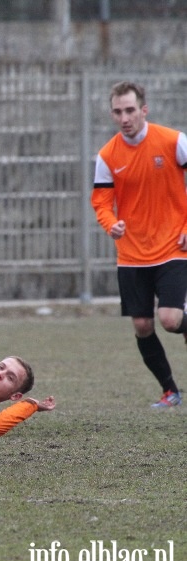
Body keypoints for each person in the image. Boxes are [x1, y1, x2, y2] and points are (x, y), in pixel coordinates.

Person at [91, 81, 187, 409]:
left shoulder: (174, 141)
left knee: (171, 320)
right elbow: (101, 202)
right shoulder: (107, 155)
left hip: (174, 246)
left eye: (130, 110)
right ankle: (170, 391)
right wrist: (110, 224)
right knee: (142, 325)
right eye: (118, 111)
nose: (124, 117)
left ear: (144, 110)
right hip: (131, 254)